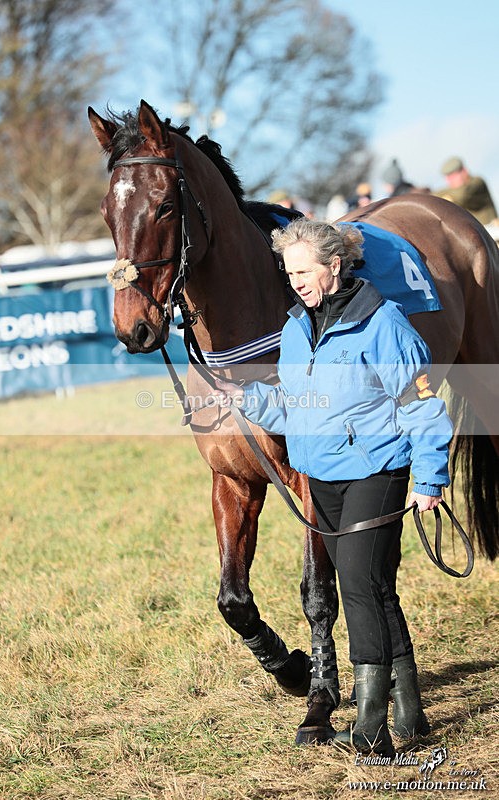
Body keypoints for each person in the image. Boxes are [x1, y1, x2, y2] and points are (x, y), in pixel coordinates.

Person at [214, 218, 453, 756]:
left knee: (360, 588)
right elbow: (294, 407)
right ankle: (410, 711)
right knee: (376, 588)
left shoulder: (383, 323)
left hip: (376, 468)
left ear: (334, 265)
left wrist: (431, 477)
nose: (295, 281)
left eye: (304, 270)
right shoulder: (298, 327)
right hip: (320, 475)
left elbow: (421, 403)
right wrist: (243, 396)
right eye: (289, 271)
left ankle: (371, 729)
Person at [434, 157, 498, 225]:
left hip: (491, 231)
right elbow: (433, 197)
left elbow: (461, 196)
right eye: (448, 178)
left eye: (453, 176)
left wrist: (444, 197)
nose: (450, 181)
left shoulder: (477, 182)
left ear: (464, 171)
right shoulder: (450, 191)